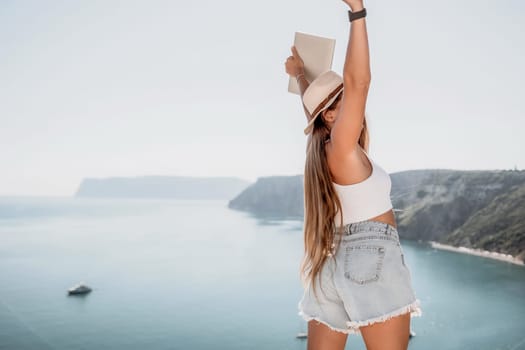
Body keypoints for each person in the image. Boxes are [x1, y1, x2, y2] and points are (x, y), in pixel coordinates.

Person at [284, 1, 422, 349]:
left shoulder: (326, 147)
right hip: (370, 260)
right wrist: (358, 11)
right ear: (330, 117)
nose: (355, 105)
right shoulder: (342, 147)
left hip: (330, 262)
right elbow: (358, 81)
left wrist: (301, 75)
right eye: (342, 102)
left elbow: (314, 109)